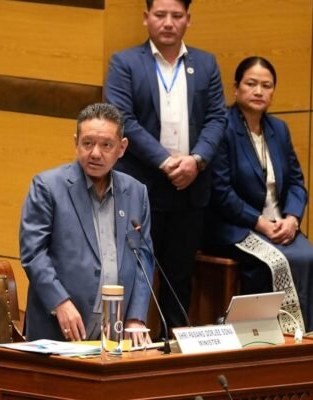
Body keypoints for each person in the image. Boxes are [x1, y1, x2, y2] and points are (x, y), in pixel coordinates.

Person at [104, 0, 227, 332]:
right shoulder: (125, 63)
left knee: (179, 277)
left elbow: (217, 118)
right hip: (142, 187)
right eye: (160, 15)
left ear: (188, 19)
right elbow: (122, 119)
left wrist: (196, 161)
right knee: (132, 269)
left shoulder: (205, 64)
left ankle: (173, 345)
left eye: (176, 16)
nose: (168, 22)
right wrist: (166, 161)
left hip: (190, 187)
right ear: (146, 19)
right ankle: (124, 342)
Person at [202, 56, 313, 335]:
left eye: (266, 86)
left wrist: (292, 219)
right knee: (271, 264)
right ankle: (261, 343)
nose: (259, 91)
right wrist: (259, 223)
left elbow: (296, 182)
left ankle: (309, 342)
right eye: (251, 84)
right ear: (236, 88)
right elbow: (220, 191)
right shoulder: (221, 127)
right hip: (234, 226)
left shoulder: (278, 129)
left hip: (279, 224)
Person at [20, 103, 154, 345]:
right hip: (59, 328)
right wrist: (59, 302)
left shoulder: (136, 192)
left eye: (106, 145)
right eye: (88, 143)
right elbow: (34, 254)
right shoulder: (47, 187)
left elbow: (143, 258)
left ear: (122, 148)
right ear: (76, 143)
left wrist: (136, 317)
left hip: (115, 331)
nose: (95, 153)